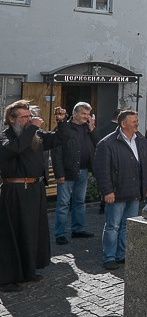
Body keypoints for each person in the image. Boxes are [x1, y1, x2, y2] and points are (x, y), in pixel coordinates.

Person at [0, 100, 70, 292]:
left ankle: (28, 271)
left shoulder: (36, 135)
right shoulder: (5, 136)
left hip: (35, 190)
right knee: (12, 234)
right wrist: (33, 129)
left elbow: (60, 139)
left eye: (30, 116)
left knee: (31, 232)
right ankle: (7, 278)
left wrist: (62, 121)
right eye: (24, 117)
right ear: (11, 119)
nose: (29, 120)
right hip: (15, 192)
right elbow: (14, 149)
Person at [93, 110, 147, 270]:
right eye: (133, 121)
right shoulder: (107, 143)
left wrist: (146, 185)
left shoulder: (141, 140)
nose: (137, 124)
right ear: (123, 124)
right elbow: (101, 170)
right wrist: (107, 191)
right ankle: (109, 257)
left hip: (134, 192)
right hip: (116, 193)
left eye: (137, 120)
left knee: (128, 225)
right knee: (113, 226)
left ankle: (122, 254)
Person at [50, 102, 100, 245]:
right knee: (63, 204)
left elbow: (99, 144)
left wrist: (92, 129)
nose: (86, 117)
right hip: (66, 171)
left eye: (88, 114)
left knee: (79, 202)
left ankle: (78, 229)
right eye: (84, 114)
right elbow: (56, 153)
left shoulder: (87, 129)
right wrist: (59, 174)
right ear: (75, 113)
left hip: (83, 170)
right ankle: (60, 233)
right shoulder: (63, 128)